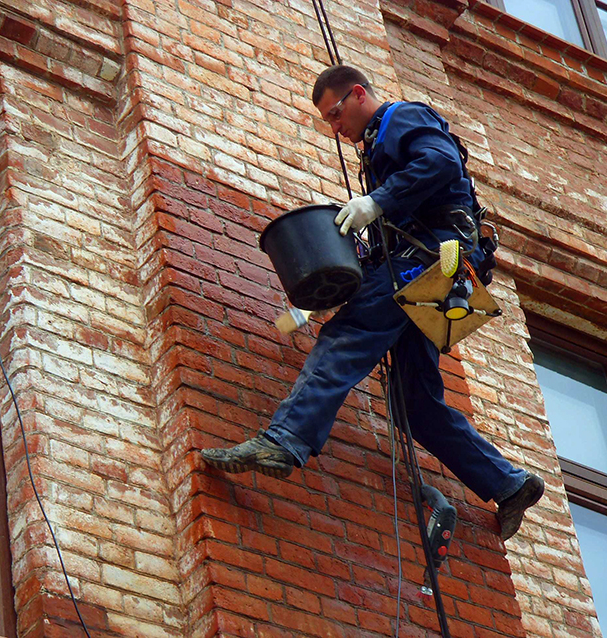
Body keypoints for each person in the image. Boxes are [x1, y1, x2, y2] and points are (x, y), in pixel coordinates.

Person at [201, 65, 543, 540]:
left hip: (433, 260)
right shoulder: (376, 148)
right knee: (414, 403)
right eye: (327, 122)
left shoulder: (401, 118)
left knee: (347, 336)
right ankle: (508, 484)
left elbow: (441, 162)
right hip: (440, 273)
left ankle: (285, 441)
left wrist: (375, 201)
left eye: (335, 114)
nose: (334, 128)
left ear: (358, 94)